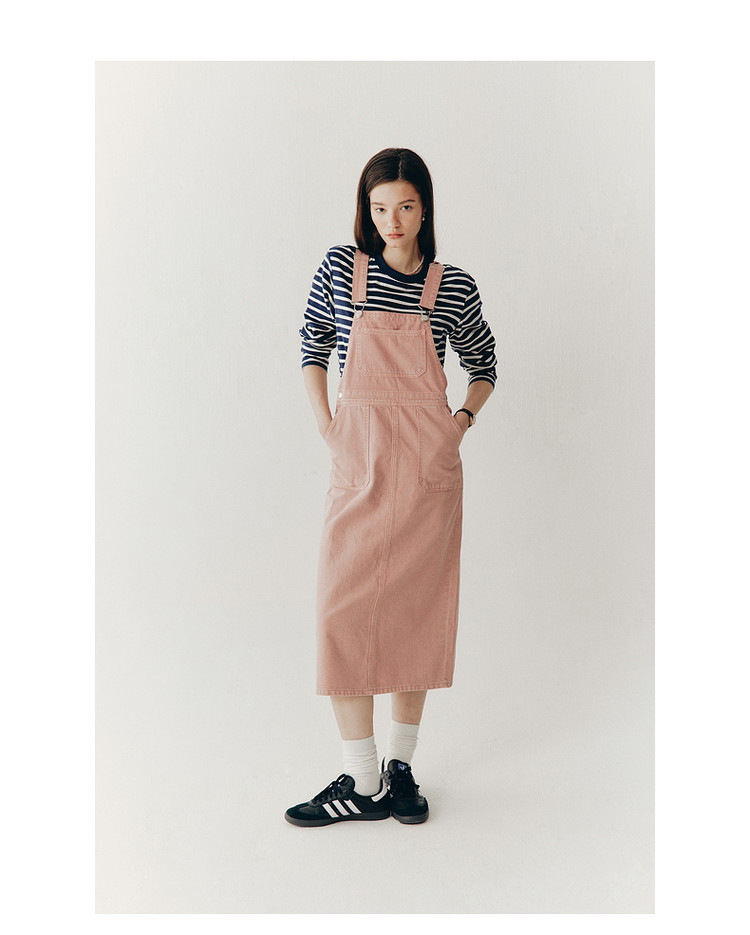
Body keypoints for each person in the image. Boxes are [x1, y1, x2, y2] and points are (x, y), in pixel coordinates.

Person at [285, 148, 496, 827]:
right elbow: (313, 345)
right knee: (340, 612)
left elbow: (485, 363)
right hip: (359, 460)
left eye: (404, 206)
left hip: (427, 468)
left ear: (424, 208)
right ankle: (361, 775)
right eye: (379, 208)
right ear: (366, 210)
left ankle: (399, 770)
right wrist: (327, 424)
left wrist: (459, 424)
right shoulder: (340, 269)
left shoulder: (452, 286)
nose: (391, 221)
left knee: (415, 611)